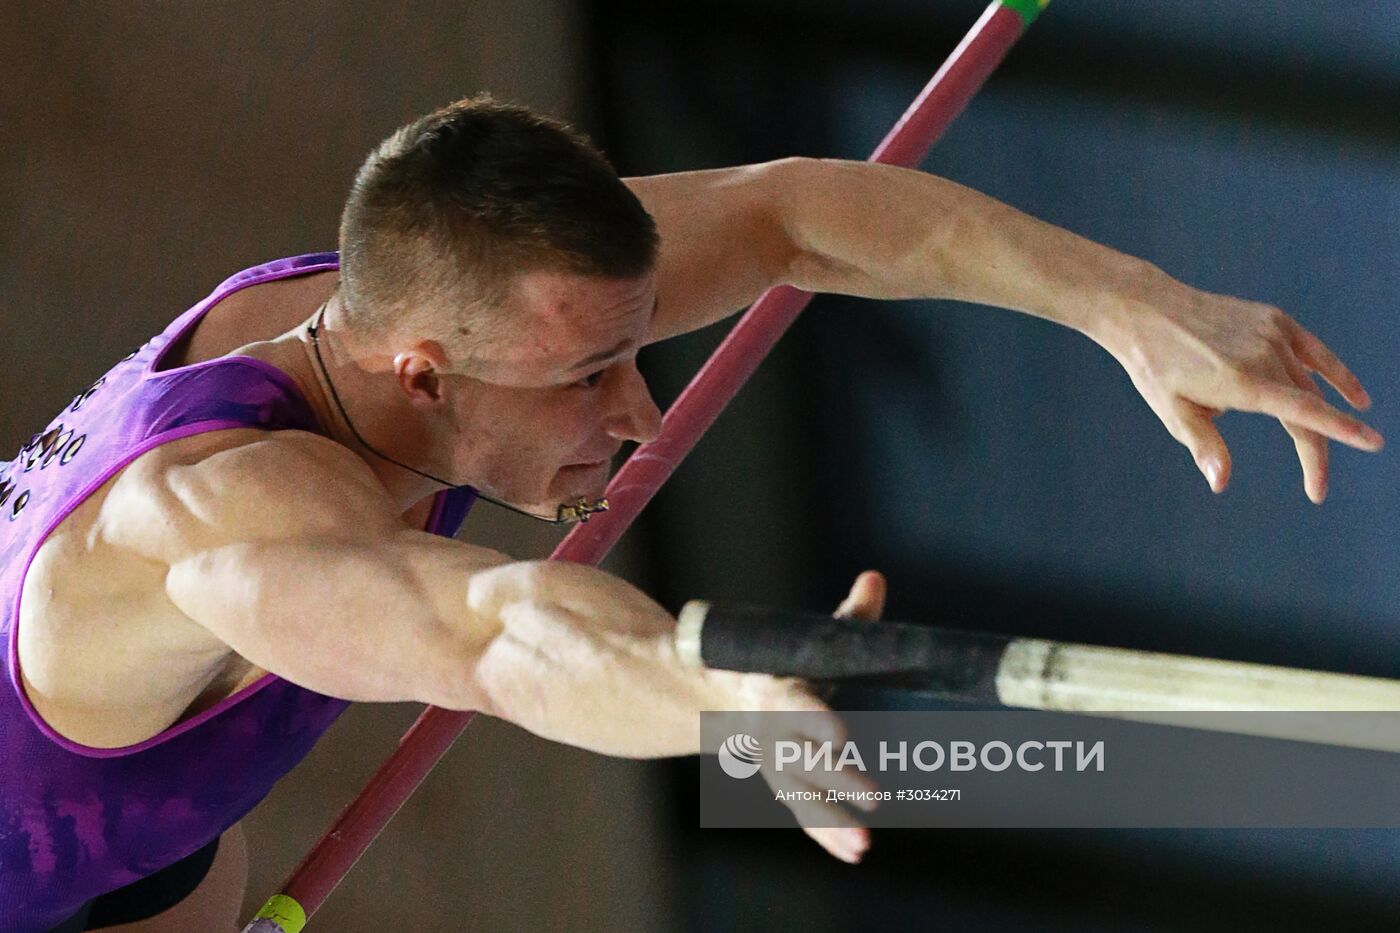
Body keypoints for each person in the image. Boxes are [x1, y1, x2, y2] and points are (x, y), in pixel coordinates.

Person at [0, 94, 1380, 932]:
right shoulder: (220, 517)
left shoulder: (416, 300)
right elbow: (492, 636)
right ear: (420, 371)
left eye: (629, 351)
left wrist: (1132, 307)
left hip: (137, 837)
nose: (641, 413)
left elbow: (788, 217)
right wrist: (709, 699)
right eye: (585, 376)